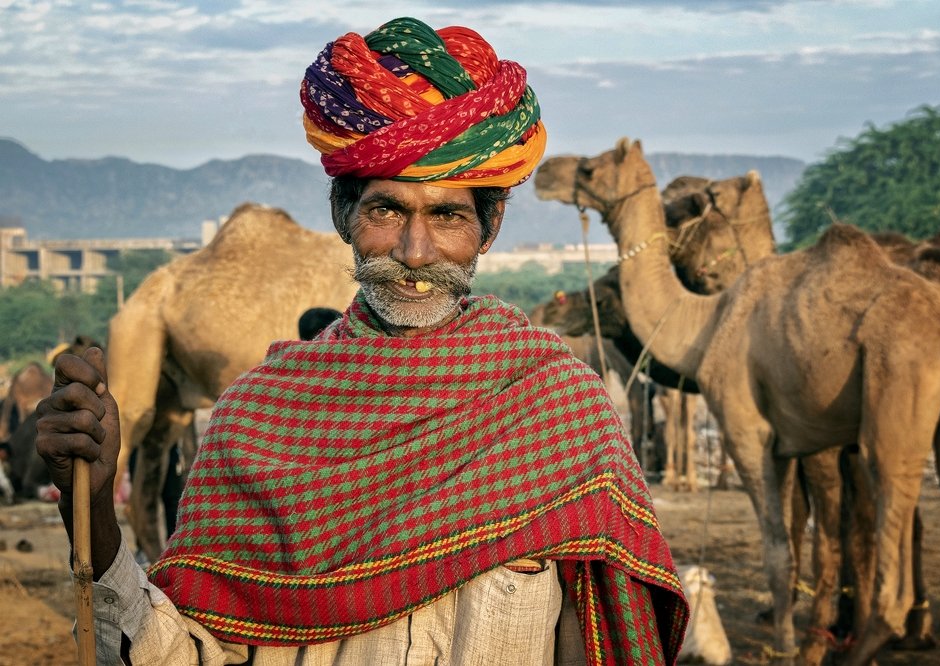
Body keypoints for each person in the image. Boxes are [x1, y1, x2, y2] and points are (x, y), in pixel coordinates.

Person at [36, 16, 688, 665]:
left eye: (447, 215)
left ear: (488, 229)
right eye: (386, 210)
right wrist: (92, 509)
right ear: (343, 214)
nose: (415, 251)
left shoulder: (557, 409)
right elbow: (184, 656)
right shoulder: (257, 420)